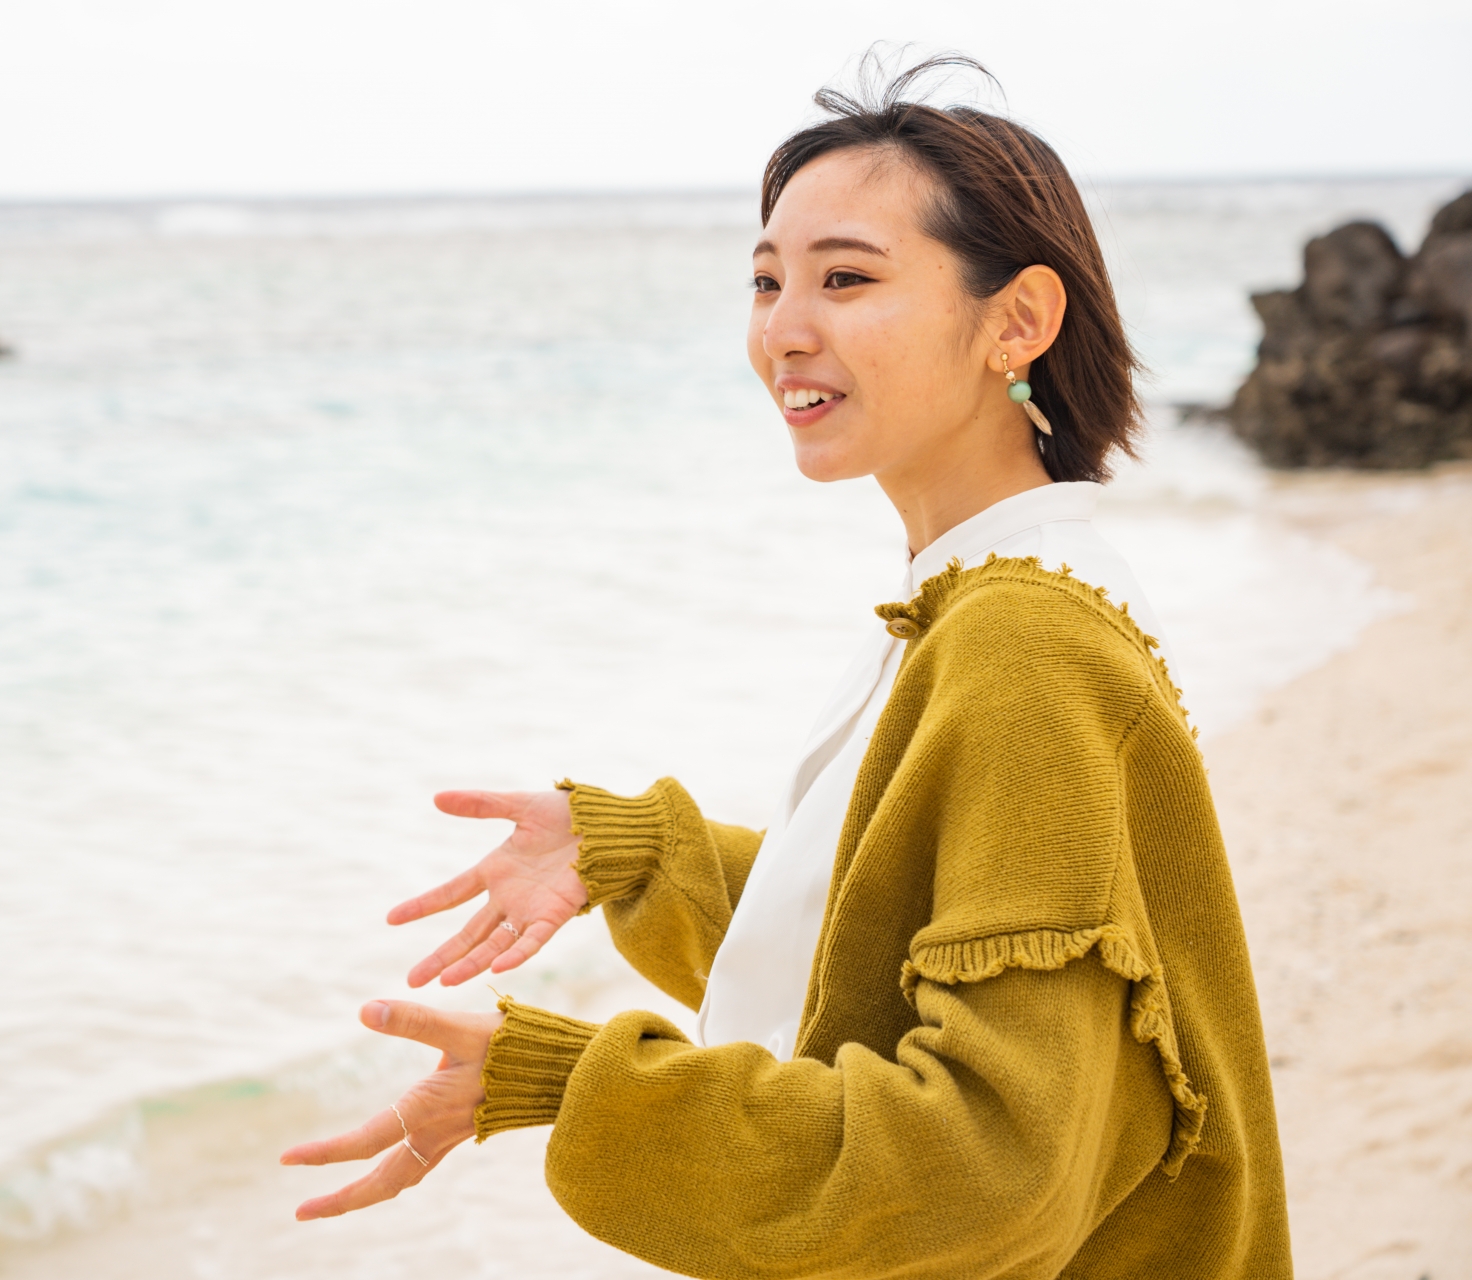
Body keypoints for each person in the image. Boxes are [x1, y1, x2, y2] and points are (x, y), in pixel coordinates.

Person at [282, 57, 1291, 1279]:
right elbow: (888, 937)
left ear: (1018, 319)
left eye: (846, 278)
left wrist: (572, 1082)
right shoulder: (975, 600)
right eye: (766, 281)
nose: (783, 330)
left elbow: (992, 1166)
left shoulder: (1024, 645)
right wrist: (642, 850)